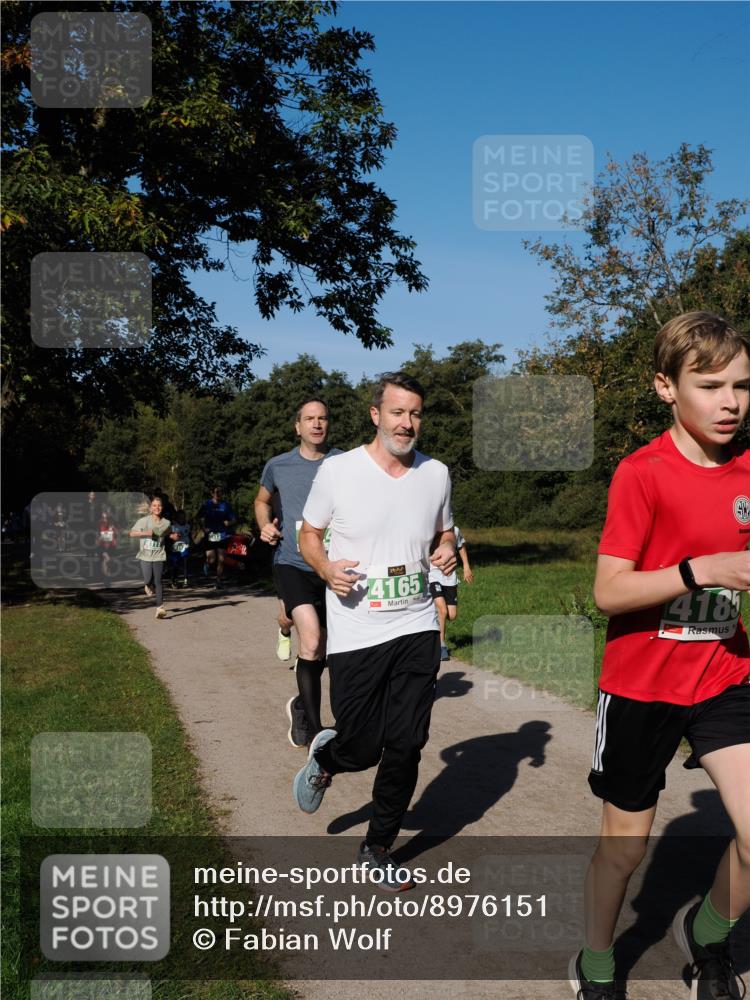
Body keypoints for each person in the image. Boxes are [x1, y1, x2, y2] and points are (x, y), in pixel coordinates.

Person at [570, 312, 750, 1000]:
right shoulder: (641, 474)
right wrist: (701, 570)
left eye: (742, 385)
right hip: (642, 686)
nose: (730, 402)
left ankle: (706, 933)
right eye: (709, 386)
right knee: (624, 851)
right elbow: (609, 592)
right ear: (665, 387)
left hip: (726, 673)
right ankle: (595, 958)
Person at [295, 372, 457, 890]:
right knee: (363, 746)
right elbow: (308, 534)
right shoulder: (340, 472)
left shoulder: (436, 474)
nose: (406, 424)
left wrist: (448, 548)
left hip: (414, 624)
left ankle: (377, 847)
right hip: (357, 629)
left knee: (407, 741)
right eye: (397, 413)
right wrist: (323, 569)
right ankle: (328, 757)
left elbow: (444, 530)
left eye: (414, 414)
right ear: (375, 415)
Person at [254, 399, 342, 748]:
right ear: (298, 426)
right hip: (291, 562)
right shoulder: (279, 465)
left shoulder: (345, 463)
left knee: (326, 651)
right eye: (309, 419)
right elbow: (261, 501)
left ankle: (302, 709)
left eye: (322, 418)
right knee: (311, 639)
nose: (317, 424)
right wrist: (264, 525)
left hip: (332, 566)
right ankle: (318, 731)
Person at [428, 524, 473, 660]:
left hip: (449, 577)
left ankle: (434, 618)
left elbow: (461, 547)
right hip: (432, 574)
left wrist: (466, 567)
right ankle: (441, 646)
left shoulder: (455, 530)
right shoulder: (429, 529)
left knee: (452, 615)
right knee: (443, 610)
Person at [129, 496, 173, 619]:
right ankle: (148, 585)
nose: (157, 508)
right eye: (154, 505)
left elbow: (165, 532)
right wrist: (145, 533)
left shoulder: (166, 522)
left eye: (159, 505)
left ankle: (160, 607)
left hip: (159, 555)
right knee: (148, 579)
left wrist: (173, 536)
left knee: (158, 581)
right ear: (151, 508)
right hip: (145, 555)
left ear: (162, 508)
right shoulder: (143, 521)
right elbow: (132, 533)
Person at [198, 486, 235, 589]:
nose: (218, 493)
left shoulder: (226, 505)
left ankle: (218, 581)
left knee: (221, 559)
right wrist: (203, 528)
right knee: (212, 559)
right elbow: (199, 517)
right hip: (210, 535)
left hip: (222, 535)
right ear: (212, 493)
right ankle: (207, 564)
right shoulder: (206, 504)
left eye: (220, 492)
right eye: (216, 492)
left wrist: (229, 522)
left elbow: (233, 519)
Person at [169, 509, 192, 588]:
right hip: (175, 548)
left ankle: (186, 580)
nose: (182, 519)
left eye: (183, 517)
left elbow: (189, 535)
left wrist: (192, 543)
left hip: (185, 547)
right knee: (175, 565)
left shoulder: (188, 526)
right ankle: (174, 580)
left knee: (185, 563)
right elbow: (169, 536)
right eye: (180, 518)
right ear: (177, 518)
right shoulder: (173, 526)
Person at [97, 506, 119, 582]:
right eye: (106, 512)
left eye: (109, 512)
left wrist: (113, 529)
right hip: (102, 545)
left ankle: (103, 574)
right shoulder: (100, 523)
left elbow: (117, 533)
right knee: (107, 559)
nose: (107, 514)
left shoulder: (113, 522)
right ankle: (107, 577)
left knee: (109, 561)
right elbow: (97, 534)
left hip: (111, 545)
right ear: (103, 514)